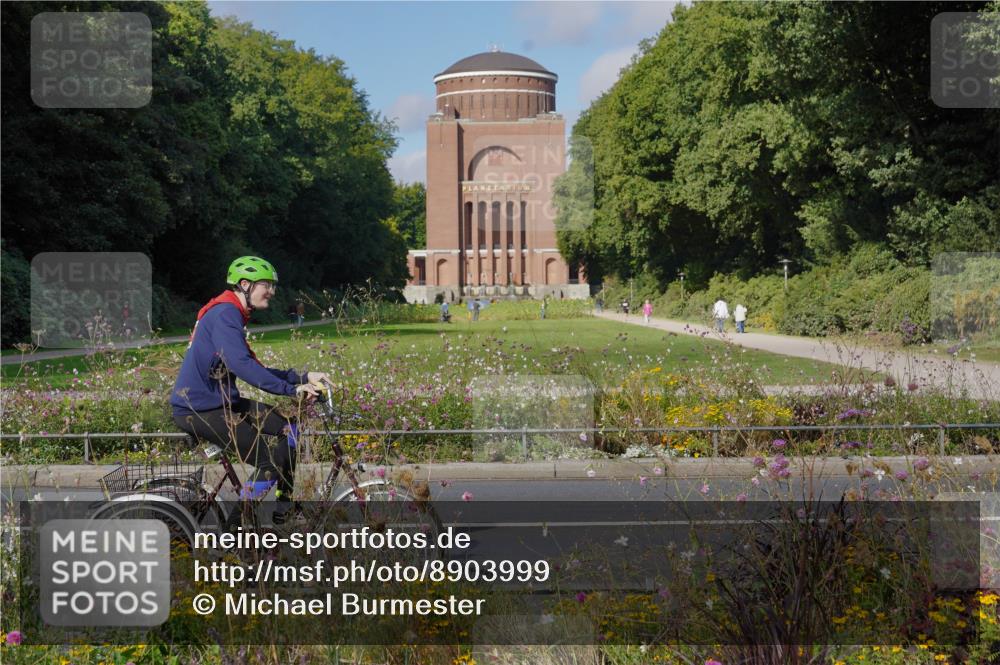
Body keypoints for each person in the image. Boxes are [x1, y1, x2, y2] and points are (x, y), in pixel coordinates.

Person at [170, 256, 329, 523]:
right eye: (267, 285)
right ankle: (235, 530)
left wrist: (302, 376)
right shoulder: (225, 313)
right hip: (198, 408)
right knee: (268, 464)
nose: (272, 292)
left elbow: (255, 367)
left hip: (221, 404)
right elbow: (241, 365)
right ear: (245, 284)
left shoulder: (231, 313)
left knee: (290, 429)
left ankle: (284, 508)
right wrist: (291, 390)